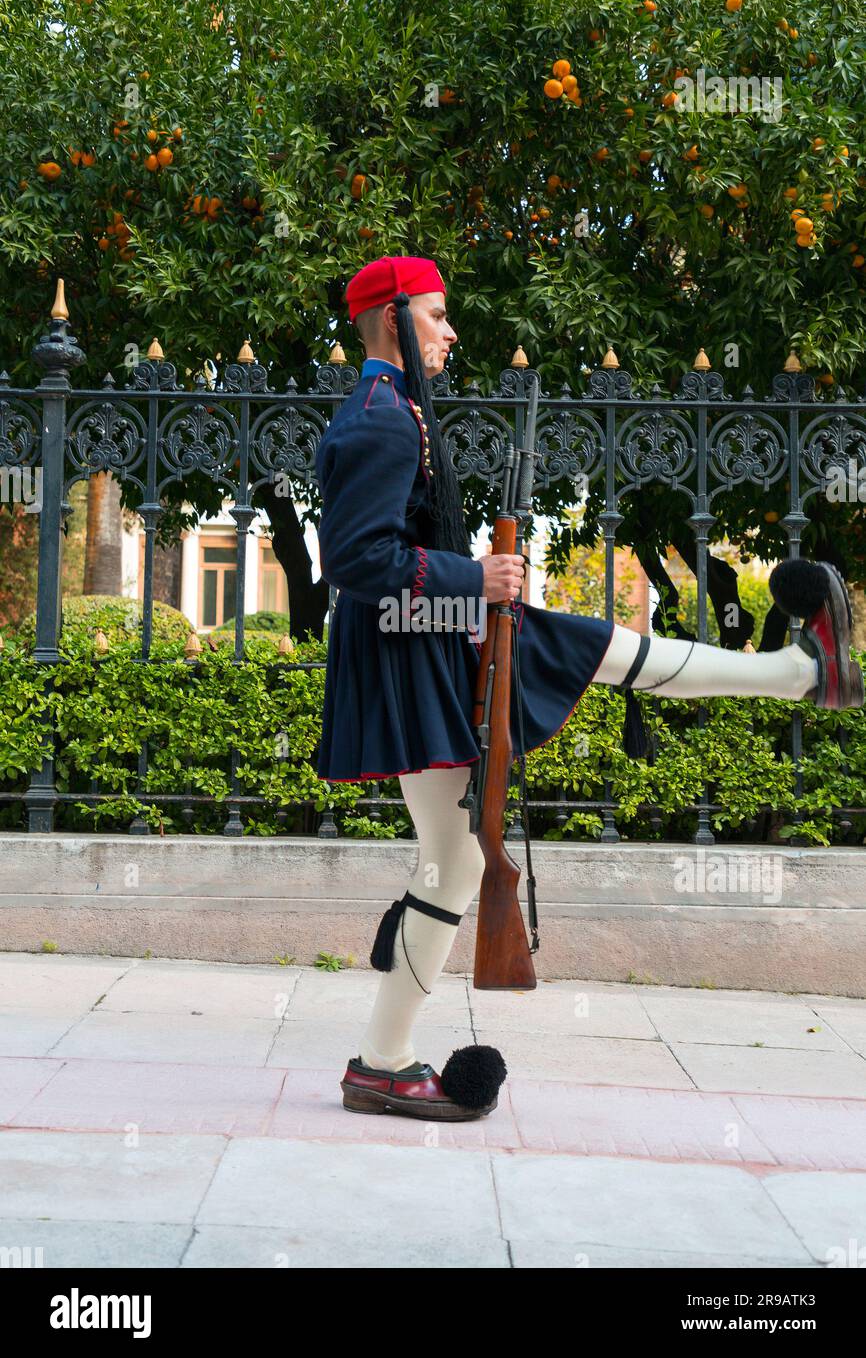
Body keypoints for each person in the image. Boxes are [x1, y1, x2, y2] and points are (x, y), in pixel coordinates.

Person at [314, 254, 865, 1123]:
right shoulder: (384, 418)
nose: (450, 333)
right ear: (393, 321)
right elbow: (354, 560)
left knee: (465, 838)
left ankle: (802, 675)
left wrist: (471, 581)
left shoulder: (398, 410)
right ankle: (802, 674)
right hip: (413, 643)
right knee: (472, 828)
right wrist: (479, 577)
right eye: (436, 316)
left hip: (422, 642)